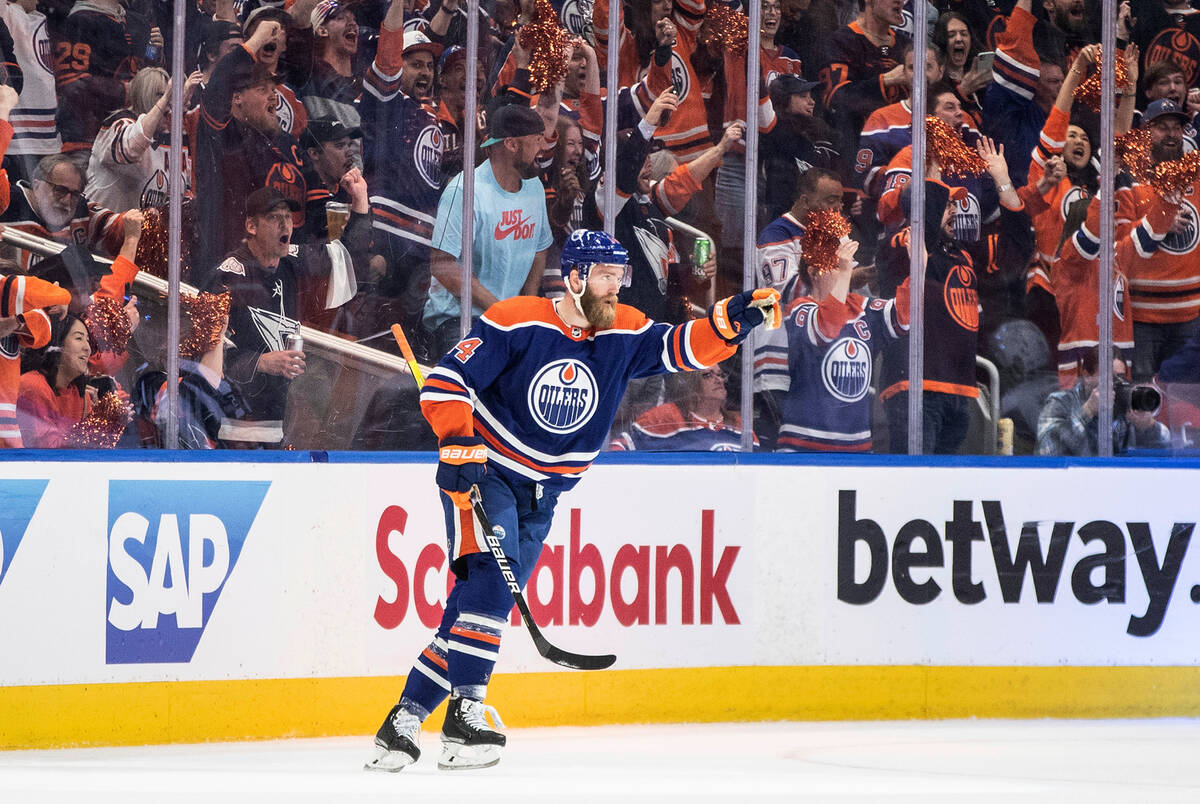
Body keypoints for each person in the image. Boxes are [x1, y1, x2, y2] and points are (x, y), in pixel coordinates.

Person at [366, 229, 781, 772]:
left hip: (549, 492)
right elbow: (446, 382)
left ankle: (402, 721)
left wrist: (730, 322)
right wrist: (457, 439)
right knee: (493, 586)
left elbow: (679, 347)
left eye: (620, 277)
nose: (617, 288)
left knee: (471, 610)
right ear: (578, 277)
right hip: (487, 475)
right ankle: (467, 713)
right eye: (608, 278)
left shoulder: (623, 329)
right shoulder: (517, 319)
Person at [205, 177, 370, 447]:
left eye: (288, 217)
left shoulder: (292, 261)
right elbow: (203, 353)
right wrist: (261, 362)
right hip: (231, 430)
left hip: (277, 427)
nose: (285, 225)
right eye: (274, 218)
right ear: (251, 226)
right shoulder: (227, 277)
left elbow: (345, 259)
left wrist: (360, 202)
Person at [423, 101, 551, 359]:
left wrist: (524, 305)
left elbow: (540, 248)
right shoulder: (464, 191)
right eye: (537, 140)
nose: (543, 148)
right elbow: (442, 266)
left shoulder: (535, 188)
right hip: (458, 321)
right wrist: (502, 311)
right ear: (512, 144)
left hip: (505, 321)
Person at [1036, 350, 1169, 455]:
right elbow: (1047, 450)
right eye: (1109, 377)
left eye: (1120, 377)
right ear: (1087, 375)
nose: (1116, 383)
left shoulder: (1125, 403)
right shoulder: (1060, 402)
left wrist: (1148, 428)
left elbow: (1165, 451)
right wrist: (1087, 411)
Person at [610, 364, 750, 451]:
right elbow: (621, 447)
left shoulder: (740, 425)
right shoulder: (665, 417)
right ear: (691, 382)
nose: (718, 380)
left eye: (720, 375)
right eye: (708, 375)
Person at [16, 313, 94, 447]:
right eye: (79, 338)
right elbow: (48, 454)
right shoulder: (32, 387)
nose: (87, 348)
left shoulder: (82, 397)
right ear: (57, 343)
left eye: (88, 340)